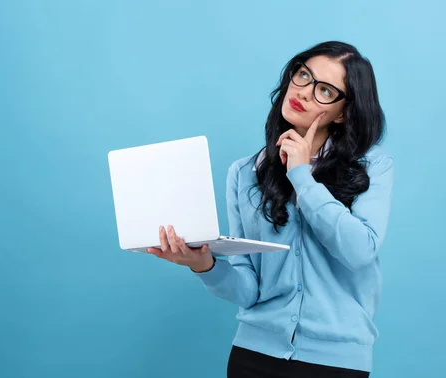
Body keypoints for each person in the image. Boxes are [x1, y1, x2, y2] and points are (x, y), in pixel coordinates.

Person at [146, 41, 394, 378]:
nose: (304, 92)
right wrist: (203, 265)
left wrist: (302, 176)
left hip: (334, 363)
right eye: (303, 74)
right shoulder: (245, 172)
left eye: (324, 90)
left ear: (344, 112)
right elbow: (249, 289)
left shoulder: (371, 167)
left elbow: (360, 251)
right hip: (253, 356)